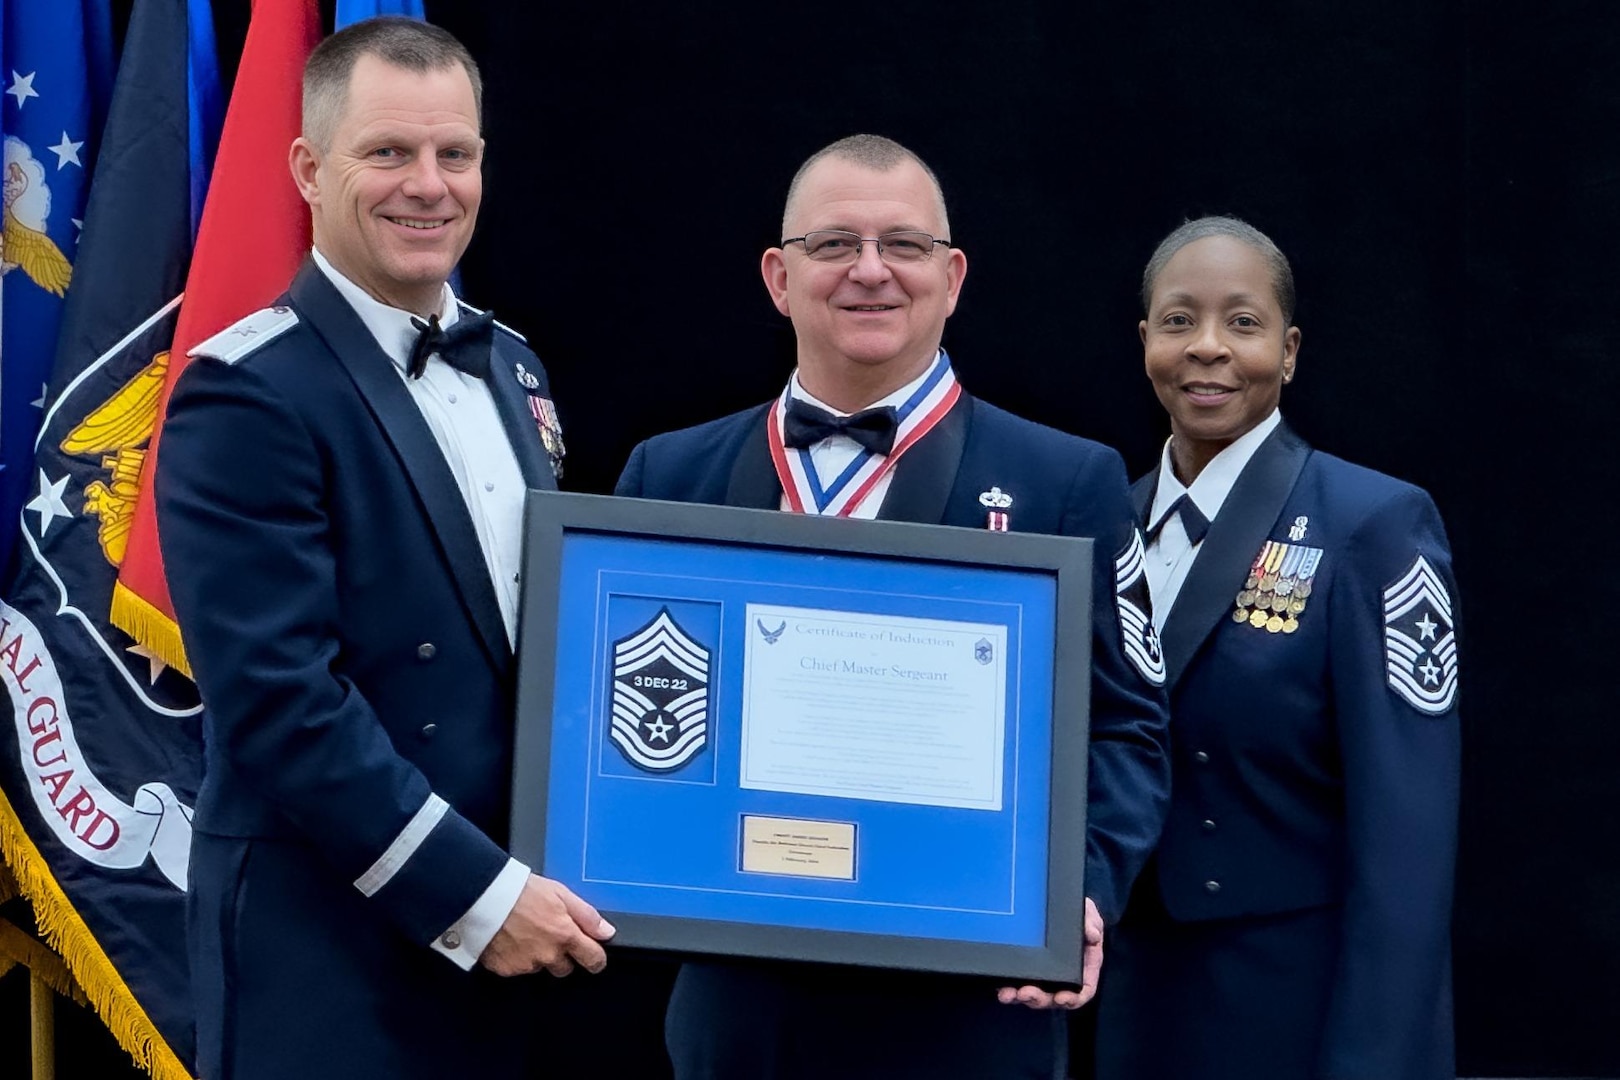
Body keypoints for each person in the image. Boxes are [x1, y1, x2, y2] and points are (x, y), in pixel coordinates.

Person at [615, 133, 1172, 1080]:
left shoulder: (1066, 481)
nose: (870, 272)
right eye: (834, 245)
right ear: (778, 277)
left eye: (903, 246)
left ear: (951, 277)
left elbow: (1126, 730)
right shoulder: (668, 476)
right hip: (740, 1014)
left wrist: (1075, 890)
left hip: (966, 1017)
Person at [155, 18, 613, 1079]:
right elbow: (280, 701)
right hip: (331, 941)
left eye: (455, 154)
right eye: (389, 153)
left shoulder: (515, 368)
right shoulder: (248, 389)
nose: (429, 184)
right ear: (311, 170)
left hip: (515, 930)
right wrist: (476, 897)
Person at [1094, 216, 1460, 1080]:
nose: (1209, 348)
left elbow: (1407, 836)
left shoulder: (1372, 523)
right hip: (1134, 1002)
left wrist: (1376, 1056)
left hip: (1294, 1005)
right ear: (1145, 340)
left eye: (1244, 323)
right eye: (1179, 321)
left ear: (1290, 351)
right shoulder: (1103, 517)